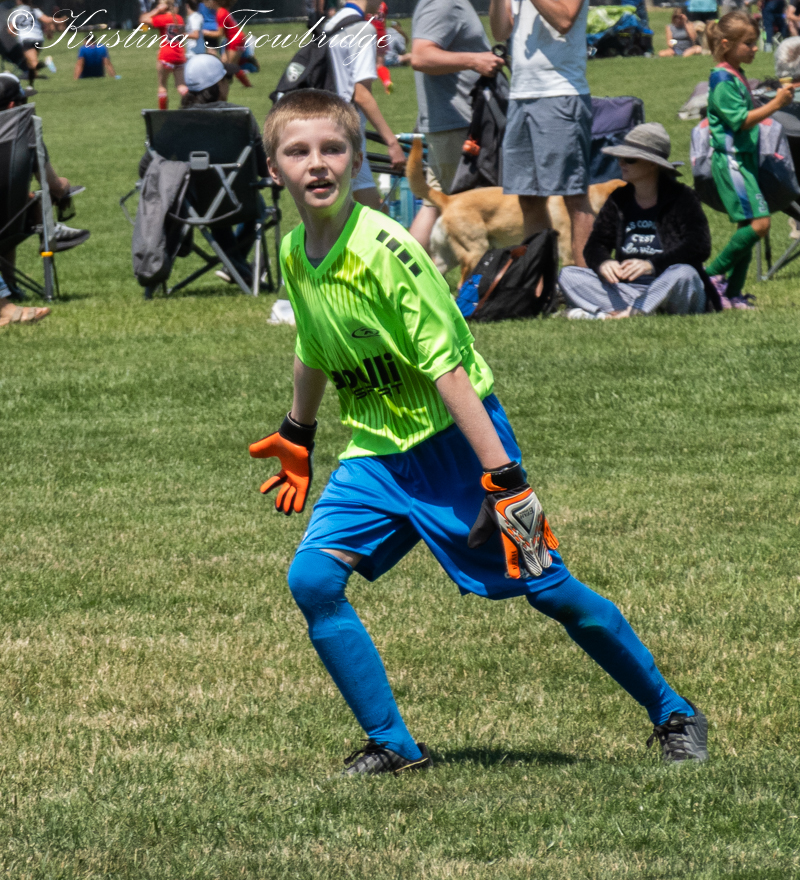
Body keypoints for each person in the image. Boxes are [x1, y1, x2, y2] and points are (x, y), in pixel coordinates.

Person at [253, 88, 710, 776]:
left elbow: (449, 370)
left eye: (333, 148)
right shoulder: (295, 250)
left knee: (549, 587)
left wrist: (506, 481)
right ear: (273, 168)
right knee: (313, 580)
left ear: (355, 161)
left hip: (460, 447)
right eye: (298, 151)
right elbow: (313, 345)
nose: (317, 163)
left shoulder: (386, 251)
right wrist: (298, 431)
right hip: (378, 455)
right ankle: (394, 745)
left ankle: (674, 712)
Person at [559, 123, 720, 319]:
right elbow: (596, 244)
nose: (621, 163)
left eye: (629, 159)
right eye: (620, 157)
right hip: (628, 290)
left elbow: (698, 246)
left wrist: (651, 265)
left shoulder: (682, 197)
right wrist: (604, 263)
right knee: (569, 275)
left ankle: (619, 313)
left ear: (652, 164)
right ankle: (634, 311)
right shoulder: (619, 199)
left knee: (684, 273)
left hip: (670, 287)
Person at [138, 54, 266, 285]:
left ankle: (238, 269)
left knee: (213, 203)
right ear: (217, 85)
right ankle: (238, 268)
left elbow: (145, 167)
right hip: (240, 202)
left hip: (191, 207)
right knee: (256, 205)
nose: (229, 85)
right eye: (227, 80)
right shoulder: (240, 118)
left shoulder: (175, 123)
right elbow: (265, 170)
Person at [489, 0, 595, 268]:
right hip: (520, 95)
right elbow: (500, 31)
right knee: (528, 197)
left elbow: (564, 20)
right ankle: (541, 284)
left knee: (574, 196)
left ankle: (588, 285)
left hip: (560, 93)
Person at [704, 12, 794, 308]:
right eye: (749, 43)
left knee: (748, 227)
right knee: (760, 224)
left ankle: (732, 293)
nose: (755, 48)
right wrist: (776, 104)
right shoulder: (721, 78)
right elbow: (740, 121)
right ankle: (709, 275)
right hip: (732, 161)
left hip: (744, 160)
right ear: (726, 44)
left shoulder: (736, 73)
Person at [409, 0, 505, 254]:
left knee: (433, 205)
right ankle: (483, 278)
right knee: (477, 210)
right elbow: (421, 56)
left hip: (450, 126)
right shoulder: (444, 2)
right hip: (459, 128)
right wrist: (475, 60)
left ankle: (406, 272)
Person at [0, 71, 89, 266]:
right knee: (13, 213)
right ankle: (51, 230)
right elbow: (54, 186)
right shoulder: (24, 136)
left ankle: (9, 283)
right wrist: (65, 185)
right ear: (13, 106)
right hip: (7, 226)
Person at [324, 0, 406, 211]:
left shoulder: (332, 23)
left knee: (343, 207)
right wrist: (392, 143)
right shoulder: (363, 29)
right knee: (365, 212)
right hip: (346, 130)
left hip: (324, 122)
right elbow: (361, 95)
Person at [139, 0, 187, 110]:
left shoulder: (163, 18)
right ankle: (190, 106)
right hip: (179, 55)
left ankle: (163, 112)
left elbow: (143, 20)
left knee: (162, 86)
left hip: (166, 54)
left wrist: (157, 10)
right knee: (181, 86)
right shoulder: (179, 18)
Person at [202, 0, 252, 89]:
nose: (205, 3)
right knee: (225, 63)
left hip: (235, 39)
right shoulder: (222, 10)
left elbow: (219, 34)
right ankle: (224, 83)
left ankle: (247, 85)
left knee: (231, 66)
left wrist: (205, 33)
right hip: (233, 38)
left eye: (208, 1)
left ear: (214, 2)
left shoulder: (220, 13)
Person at [8, 0, 58, 85]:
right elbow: (47, 20)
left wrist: (15, 34)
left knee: (33, 63)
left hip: (26, 39)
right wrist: (50, 31)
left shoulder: (16, 11)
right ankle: (31, 82)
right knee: (30, 63)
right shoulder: (34, 10)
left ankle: (47, 63)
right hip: (38, 38)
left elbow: (10, 30)